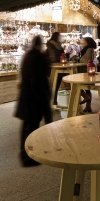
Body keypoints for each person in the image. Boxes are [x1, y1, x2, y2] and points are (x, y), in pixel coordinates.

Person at [14, 36, 52, 167]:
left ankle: (25, 155)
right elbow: (39, 82)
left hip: (26, 99)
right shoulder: (38, 59)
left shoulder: (28, 57)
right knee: (31, 129)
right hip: (34, 100)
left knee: (26, 127)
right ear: (39, 45)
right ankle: (28, 157)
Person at [78, 37, 97, 112]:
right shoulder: (88, 48)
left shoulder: (89, 49)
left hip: (85, 70)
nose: (82, 41)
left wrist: (78, 59)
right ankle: (88, 106)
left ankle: (86, 98)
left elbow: (88, 60)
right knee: (87, 89)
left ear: (87, 42)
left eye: (83, 40)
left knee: (78, 86)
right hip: (86, 69)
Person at [46, 32, 65, 105]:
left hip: (56, 68)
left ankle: (53, 102)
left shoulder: (57, 45)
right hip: (53, 68)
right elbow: (53, 57)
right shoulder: (53, 45)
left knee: (55, 86)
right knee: (53, 85)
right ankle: (51, 102)